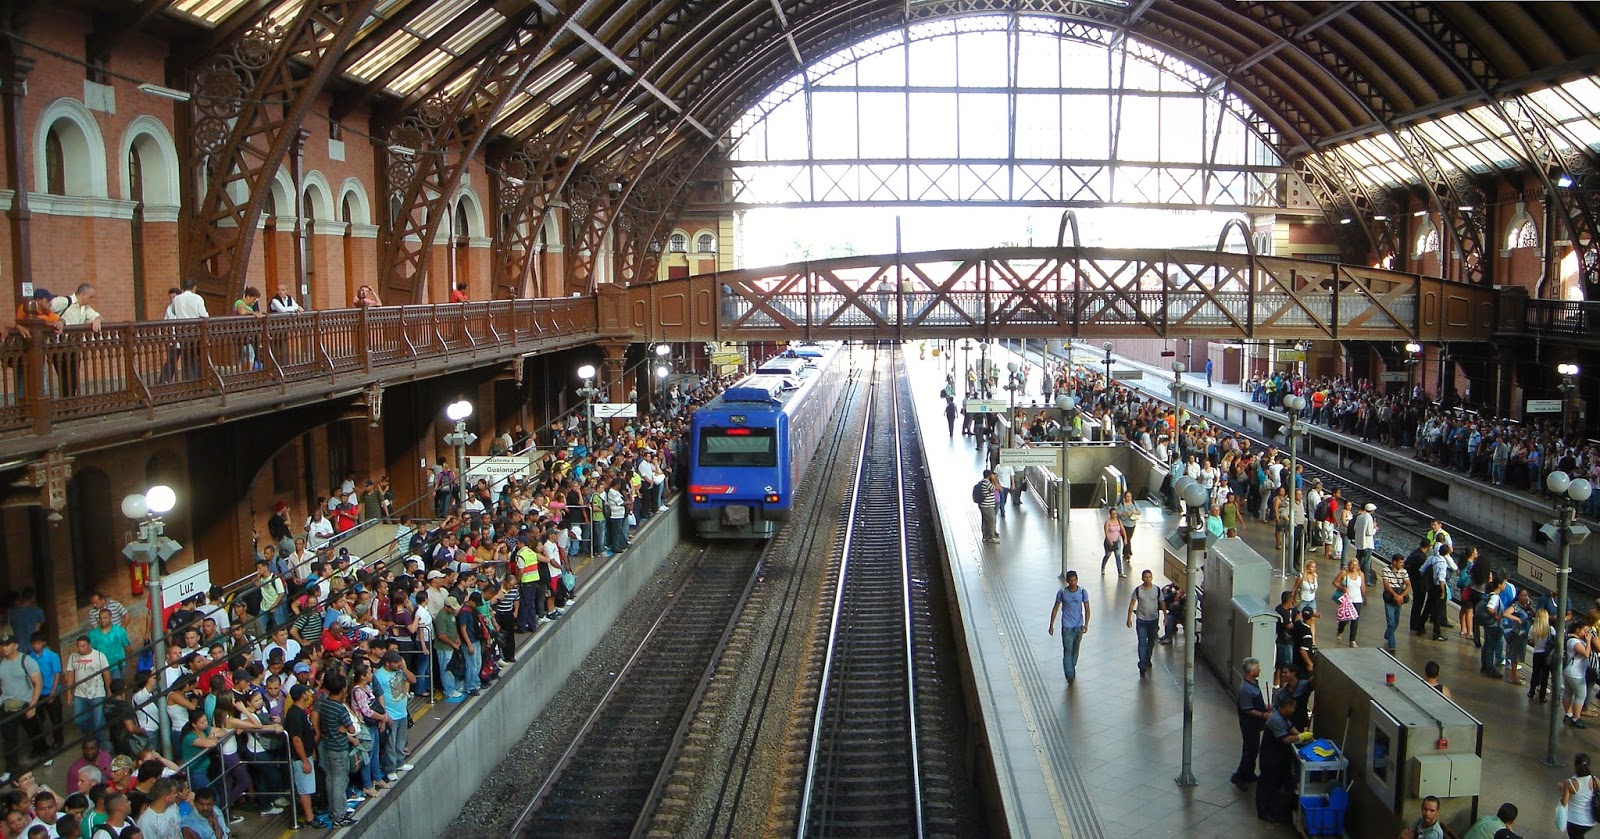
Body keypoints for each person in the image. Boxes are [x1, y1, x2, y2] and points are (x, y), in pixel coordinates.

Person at [0, 634, 43, 785]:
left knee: (34, 731)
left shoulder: (26, 661)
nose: (4, 648)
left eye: (7, 645)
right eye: (2, 645)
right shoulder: (2, 663)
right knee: (9, 739)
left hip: (24, 703)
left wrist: (33, 705)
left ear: (15, 645)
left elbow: (38, 682)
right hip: (6, 704)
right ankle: (10, 769)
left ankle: (44, 753)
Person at [1255, 692, 1300, 823]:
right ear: (1286, 706)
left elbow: (1291, 728)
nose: (1294, 710)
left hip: (1279, 759)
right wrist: (1300, 738)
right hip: (1270, 759)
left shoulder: (1284, 717)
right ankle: (1263, 811)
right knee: (1267, 785)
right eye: (1292, 707)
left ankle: (1274, 808)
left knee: (1276, 785)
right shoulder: (1275, 719)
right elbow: (1286, 739)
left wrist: (1305, 736)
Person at [65, 636, 111, 751]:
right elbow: (70, 674)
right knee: (78, 720)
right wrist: (69, 692)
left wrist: (109, 690)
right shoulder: (73, 657)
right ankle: (91, 736)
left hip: (97, 693)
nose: (80, 649)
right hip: (80, 694)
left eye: (83, 646)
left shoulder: (99, 656)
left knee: (99, 722)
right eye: (78, 646)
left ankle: (100, 746)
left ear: (89, 645)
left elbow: (106, 674)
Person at [283, 684, 319, 828]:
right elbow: (296, 740)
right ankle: (310, 817)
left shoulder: (301, 712)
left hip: (308, 753)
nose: (309, 694)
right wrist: (305, 760)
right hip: (300, 758)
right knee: (305, 789)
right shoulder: (295, 714)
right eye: (306, 692)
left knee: (308, 787)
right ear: (302, 695)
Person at [1230, 657, 1269, 789]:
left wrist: (1265, 706)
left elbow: (1256, 702)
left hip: (1254, 724)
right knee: (1250, 750)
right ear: (1251, 671)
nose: (1260, 669)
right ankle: (1239, 776)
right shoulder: (1246, 689)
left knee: (1253, 749)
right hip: (1249, 725)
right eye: (1258, 667)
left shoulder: (1252, 684)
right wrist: (1264, 714)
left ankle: (1249, 773)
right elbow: (1248, 709)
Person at [1048, 571, 1089, 686]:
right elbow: (1056, 608)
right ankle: (1069, 674)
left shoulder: (1082, 592)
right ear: (1067, 581)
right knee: (1068, 650)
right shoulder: (1062, 593)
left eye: (1074, 580)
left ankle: (1071, 666)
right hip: (1067, 627)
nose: (1072, 582)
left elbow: (1087, 608)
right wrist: (1051, 624)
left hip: (1078, 626)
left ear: (1077, 579)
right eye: (1070, 580)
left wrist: (1086, 624)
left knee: (1075, 650)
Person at [26, 634, 63, 753]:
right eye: (34, 644)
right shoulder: (30, 657)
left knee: (56, 719)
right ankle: (40, 745)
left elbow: (57, 674)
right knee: (38, 721)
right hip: (38, 693)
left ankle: (58, 742)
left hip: (51, 691)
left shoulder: (52, 656)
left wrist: (53, 692)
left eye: (38, 643)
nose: (36, 646)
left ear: (44, 643)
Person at [1126, 570, 1160, 678]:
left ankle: (1147, 658)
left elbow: (1162, 602)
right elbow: (1132, 604)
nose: (1148, 579)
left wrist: (1164, 615)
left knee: (1151, 641)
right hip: (1141, 620)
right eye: (1146, 577)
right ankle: (1142, 664)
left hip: (1153, 620)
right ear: (1142, 578)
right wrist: (1129, 618)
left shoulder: (1157, 590)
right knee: (1142, 642)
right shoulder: (1138, 590)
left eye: (1149, 577)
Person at [1380, 553, 1412, 653]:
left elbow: (1408, 585)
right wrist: (1395, 595)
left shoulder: (1404, 572)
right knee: (1391, 622)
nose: (1402, 564)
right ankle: (1392, 645)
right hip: (1390, 598)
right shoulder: (1386, 570)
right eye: (1400, 562)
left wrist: (1400, 596)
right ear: (1394, 562)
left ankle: (1387, 634)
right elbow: (1386, 585)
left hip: (1399, 598)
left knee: (1396, 621)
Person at [1565, 753, 1599, 839]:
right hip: (1590, 821)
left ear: (1575, 765)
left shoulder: (1570, 783)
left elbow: (1564, 802)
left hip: (1574, 821)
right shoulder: (1595, 780)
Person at [1333, 558, 1365, 647]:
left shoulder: (1360, 574)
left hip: (1357, 600)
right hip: (1347, 600)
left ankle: (1352, 640)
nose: (1354, 567)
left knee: (1355, 620)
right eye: (1352, 565)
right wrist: (1343, 588)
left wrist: (1364, 597)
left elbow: (1362, 586)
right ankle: (1340, 630)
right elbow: (1335, 582)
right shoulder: (1344, 573)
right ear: (1349, 565)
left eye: (1356, 565)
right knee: (1345, 619)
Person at [1530, 609, 1555, 703]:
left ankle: (1531, 692)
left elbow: (1531, 641)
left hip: (1537, 653)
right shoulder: (1550, 629)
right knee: (1545, 675)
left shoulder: (1533, 627)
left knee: (1535, 673)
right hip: (1546, 654)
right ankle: (1542, 696)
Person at [974, 470, 999, 544]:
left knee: (985, 520)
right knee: (992, 520)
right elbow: (995, 488)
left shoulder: (982, 482)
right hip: (987, 506)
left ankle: (985, 536)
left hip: (983, 505)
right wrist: (994, 480)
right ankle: (991, 537)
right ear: (990, 475)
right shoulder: (987, 483)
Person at [1101, 510, 1125, 576]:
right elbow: (1106, 532)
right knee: (1108, 555)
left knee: (1118, 556)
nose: (1114, 515)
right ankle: (1103, 567)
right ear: (1110, 514)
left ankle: (1120, 572)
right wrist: (1109, 540)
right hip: (1110, 542)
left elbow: (1122, 529)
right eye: (1113, 514)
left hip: (1117, 541)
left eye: (1115, 514)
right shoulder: (1108, 522)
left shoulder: (1119, 521)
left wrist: (1125, 538)